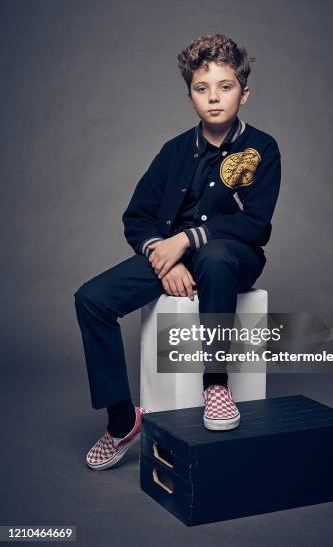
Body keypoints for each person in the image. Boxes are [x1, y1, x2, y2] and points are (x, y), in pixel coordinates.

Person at [74, 33, 281, 470]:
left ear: (244, 94)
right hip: (169, 257)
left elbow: (255, 225)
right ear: (189, 96)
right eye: (202, 89)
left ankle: (216, 386)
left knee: (216, 257)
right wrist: (159, 257)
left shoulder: (261, 149)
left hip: (231, 258)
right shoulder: (172, 152)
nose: (214, 98)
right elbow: (137, 217)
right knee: (91, 299)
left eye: (225, 87)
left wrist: (186, 241)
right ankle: (120, 421)